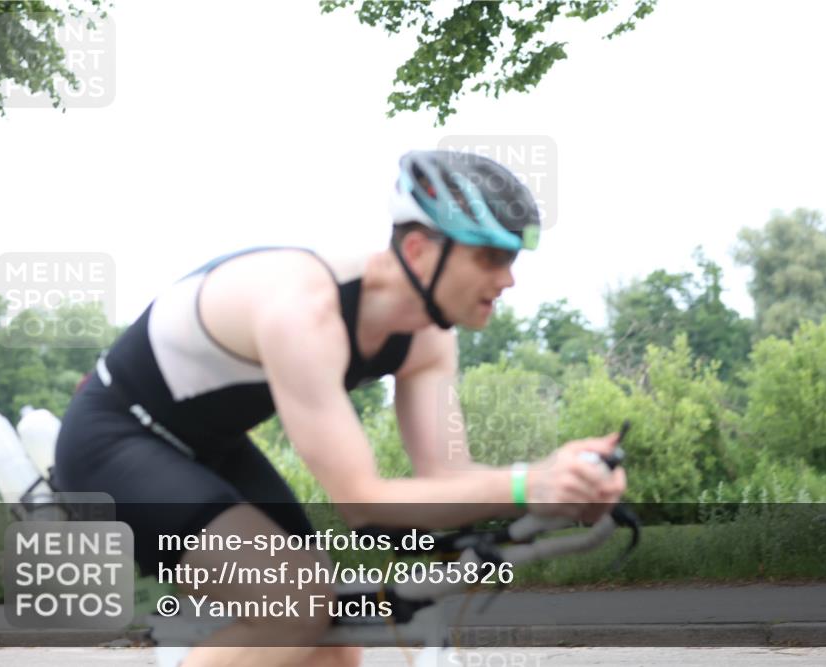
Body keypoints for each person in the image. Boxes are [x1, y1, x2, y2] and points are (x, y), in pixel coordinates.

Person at [54, 150, 627, 667]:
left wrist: (564, 486)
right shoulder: (304, 311)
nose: (508, 280)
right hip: (114, 442)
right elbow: (364, 503)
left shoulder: (428, 336)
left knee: (334, 643)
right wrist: (531, 484)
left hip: (211, 446)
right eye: (489, 258)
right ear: (417, 249)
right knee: (297, 607)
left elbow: (450, 479)